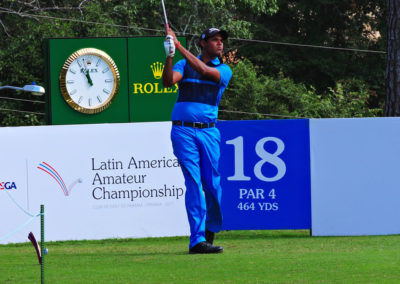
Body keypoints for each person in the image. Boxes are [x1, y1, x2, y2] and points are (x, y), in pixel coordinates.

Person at [162, 27, 232, 254]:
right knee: (193, 183)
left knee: (212, 185)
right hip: (183, 132)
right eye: (214, 40)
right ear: (203, 43)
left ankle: (209, 230)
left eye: (221, 41)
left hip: (209, 132)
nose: (220, 44)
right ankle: (197, 240)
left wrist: (179, 46)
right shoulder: (183, 65)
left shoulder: (224, 69)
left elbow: (202, 70)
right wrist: (170, 54)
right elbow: (168, 82)